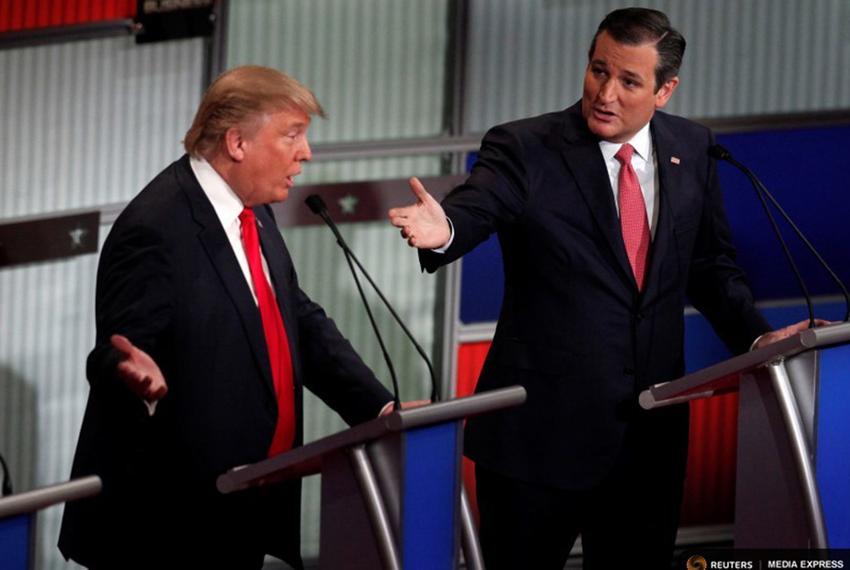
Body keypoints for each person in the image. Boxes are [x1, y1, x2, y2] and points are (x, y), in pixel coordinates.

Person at [389, 8, 823, 569]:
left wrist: (758, 339)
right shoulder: (526, 146)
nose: (606, 93)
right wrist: (445, 229)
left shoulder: (693, 149)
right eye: (598, 71)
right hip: (538, 441)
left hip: (648, 441)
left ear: (665, 90)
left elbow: (711, 266)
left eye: (629, 81)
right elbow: (480, 205)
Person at [59, 65, 394, 569]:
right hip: (169, 525)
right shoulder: (154, 228)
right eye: (292, 135)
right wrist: (132, 376)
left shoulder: (252, 207)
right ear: (237, 143)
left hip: (247, 497)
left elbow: (295, 319)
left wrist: (380, 411)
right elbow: (115, 353)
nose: (306, 153)